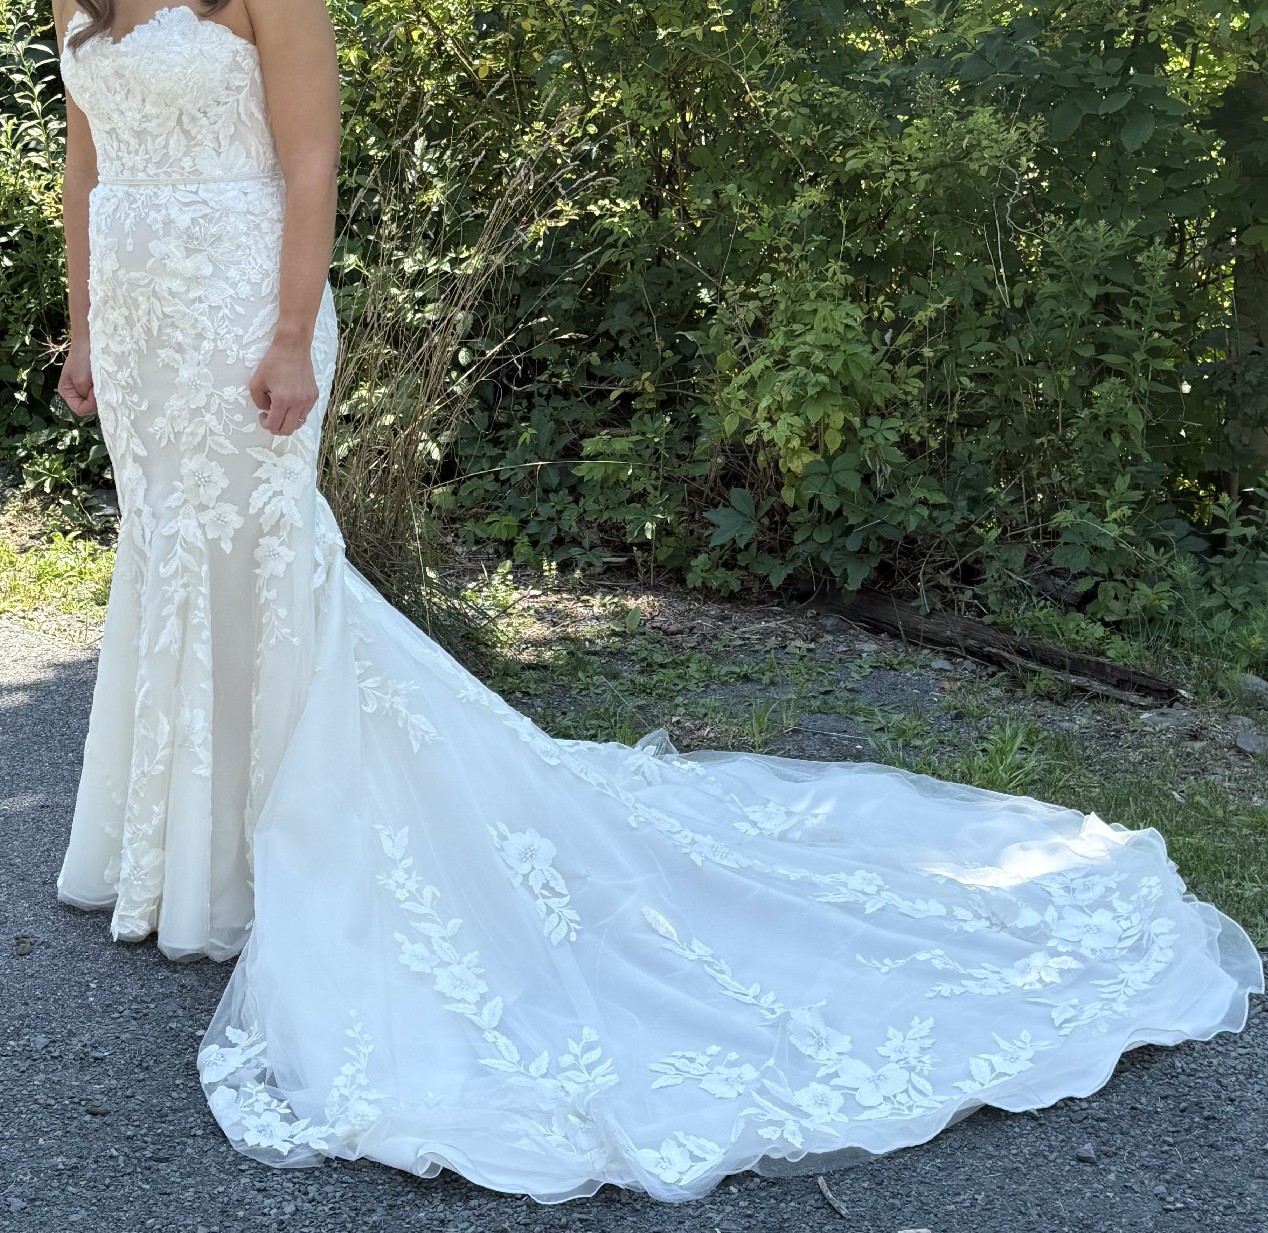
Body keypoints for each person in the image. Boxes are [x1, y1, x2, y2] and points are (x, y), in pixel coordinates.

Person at [52, 0, 1265, 1207]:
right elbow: (86, 162)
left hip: (239, 302)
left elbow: (311, 160)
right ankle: (184, 859)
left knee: (265, 559)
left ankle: (276, 853)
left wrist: (288, 334)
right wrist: (84, 326)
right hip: (142, 317)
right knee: (171, 553)